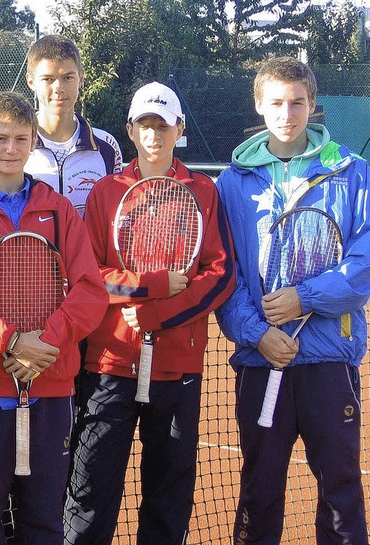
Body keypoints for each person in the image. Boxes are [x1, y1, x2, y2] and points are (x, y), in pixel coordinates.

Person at [0, 91, 108, 545]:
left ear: (33, 144)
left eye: (21, 139)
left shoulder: (59, 209)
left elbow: (90, 290)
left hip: (51, 387)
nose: (11, 148)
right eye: (0, 138)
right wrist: (10, 342)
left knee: (44, 523)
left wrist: (44, 344)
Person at [64, 81, 236, 545]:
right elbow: (89, 275)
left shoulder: (204, 191)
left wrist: (162, 315)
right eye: (145, 125)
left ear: (179, 129)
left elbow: (220, 274)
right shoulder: (105, 193)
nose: (154, 135)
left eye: (163, 125)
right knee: (91, 488)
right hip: (110, 364)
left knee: (167, 494)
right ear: (131, 131)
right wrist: (149, 287)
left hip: (177, 368)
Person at [215, 56, 370, 545]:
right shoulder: (231, 183)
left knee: (341, 488)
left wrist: (305, 298)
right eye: (277, 103)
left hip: (328, 361)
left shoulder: (352, 173)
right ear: (259, 106)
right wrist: (259, 334)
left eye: (298, 102)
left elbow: (365, 261)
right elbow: (225, 275)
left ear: (312, 106)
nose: (288, 113)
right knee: (259, 491)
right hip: (262, 362)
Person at [24, 34, 123, 217]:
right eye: (48, 79)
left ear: (81, 78)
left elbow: (112, 216)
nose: (58, 88)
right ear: (31, 81)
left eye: (67, 77)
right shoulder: (14, 146)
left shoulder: (107, 145)